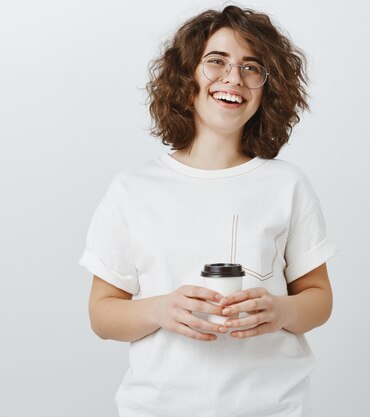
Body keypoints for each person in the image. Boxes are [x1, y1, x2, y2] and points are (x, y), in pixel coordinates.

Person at [79, 5, 339, 417]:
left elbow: (319, 300)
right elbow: (102, 314)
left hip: (270, 407)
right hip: (157, 407)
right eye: (216, 61)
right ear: (185, 77)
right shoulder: (132, 189)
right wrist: (159, 309)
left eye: (252, 67)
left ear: (266, 89)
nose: (234, 77)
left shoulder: (286, 184)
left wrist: (281, 310)